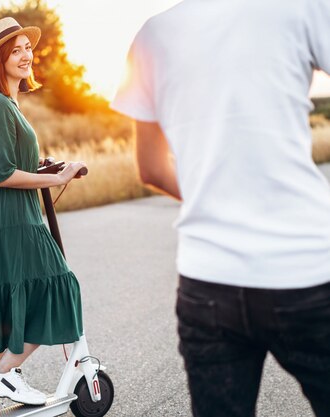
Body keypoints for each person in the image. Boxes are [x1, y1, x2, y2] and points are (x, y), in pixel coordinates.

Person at [111, 1, 330, 416]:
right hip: (306, 272)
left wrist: (217, 199)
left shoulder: (153, 34)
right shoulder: (300, 7)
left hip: (208, 282)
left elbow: (152, 167)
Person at [0, 17, 87, 415]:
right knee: (61, 291)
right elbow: (0, 173)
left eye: (27, 48)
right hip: (15, 220)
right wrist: (58, 175)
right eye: (15, 50)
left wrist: (36, 164)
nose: (26, 55)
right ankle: (6, 375)